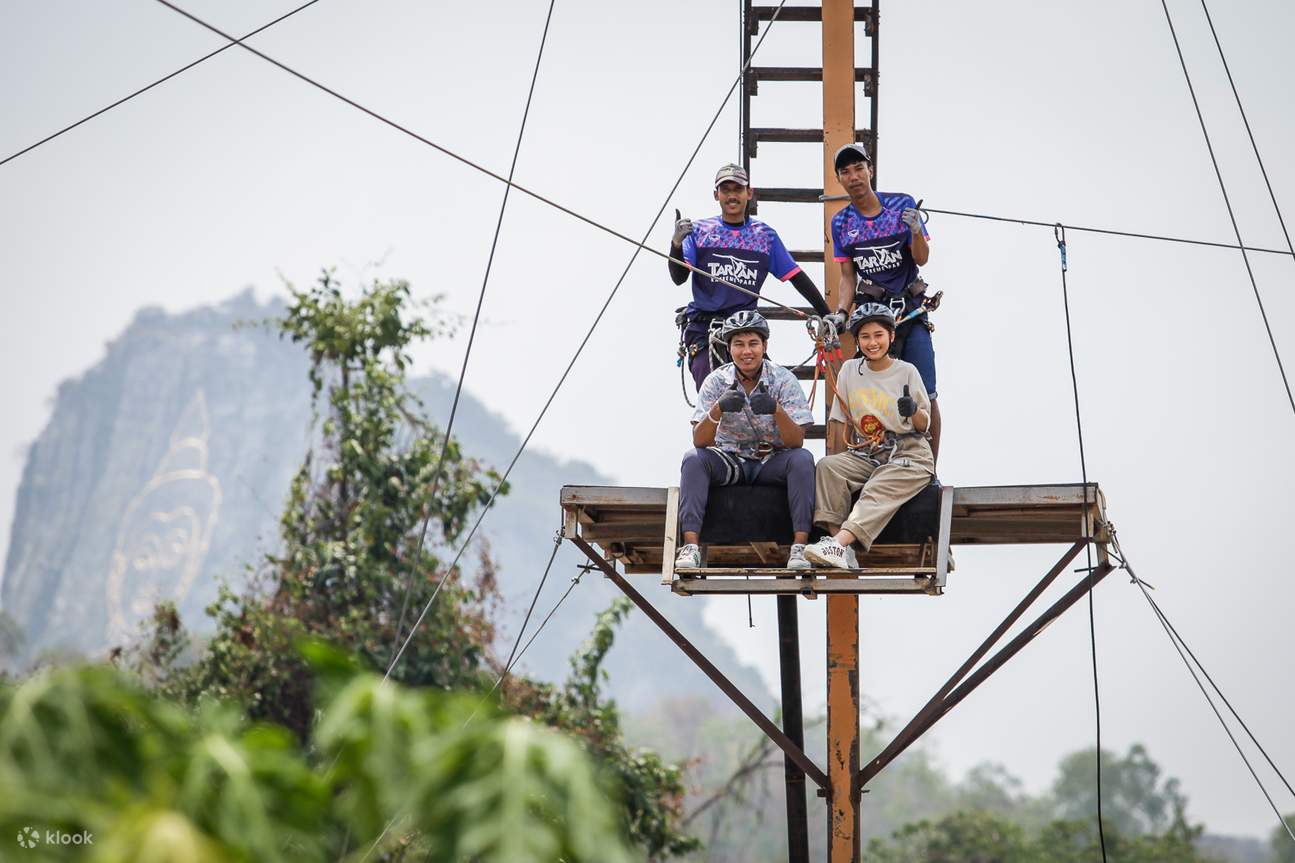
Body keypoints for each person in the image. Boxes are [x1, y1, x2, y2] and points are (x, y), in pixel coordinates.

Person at [827, 143, 943, 463]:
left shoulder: (899, 205)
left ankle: (929, 467)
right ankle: (867, 459)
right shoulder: (841, 223)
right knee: (864, 387)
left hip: (908, 309)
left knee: (926, 390)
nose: (854, 176)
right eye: (846, 171)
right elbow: (848, 275)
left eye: (858, 168)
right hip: (873, 314)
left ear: (870, 170)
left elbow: (921, 258)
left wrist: (916, 230)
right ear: (839, 178)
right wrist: (840, 313)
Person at [670, 163, 831, 390]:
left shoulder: (764, 236)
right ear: (716, 195)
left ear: (749, 193)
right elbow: (679, 277)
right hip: (706, 329)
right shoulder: (699, 232)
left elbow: (795, 276)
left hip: (745, 329)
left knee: (771, 392)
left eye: (738, 189)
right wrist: (676, 245)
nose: (732, 196)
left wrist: (826, 314)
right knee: (714, 393)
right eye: (726, 190)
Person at [675, 310, 816, 570]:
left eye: (753, 343)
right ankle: (690, 547)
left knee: (803, 460)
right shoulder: (716, 381)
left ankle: (800, 548)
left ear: (765, 346)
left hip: (771, 461)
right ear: (729, 349)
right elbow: (699, 440)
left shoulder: (783, 380)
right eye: (738, 344)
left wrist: (776, 410)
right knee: (693, 459)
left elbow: (797, 441)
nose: (746, 351)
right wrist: (718, 409)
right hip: (731, 460)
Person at [803, 304, 934, 569]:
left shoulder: (906, 371)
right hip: (868, 452)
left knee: (879, 484)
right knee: (829, 468)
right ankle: (841, 547)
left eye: (878, 335)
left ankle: (838, 543)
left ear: (891, 337)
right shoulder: (850, 371)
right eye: (865, 337)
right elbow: (840, 421)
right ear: (858, 340)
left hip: (908, 452)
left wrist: (913, 410)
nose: (872, 343)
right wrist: (841, 460)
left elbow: (923, 424)